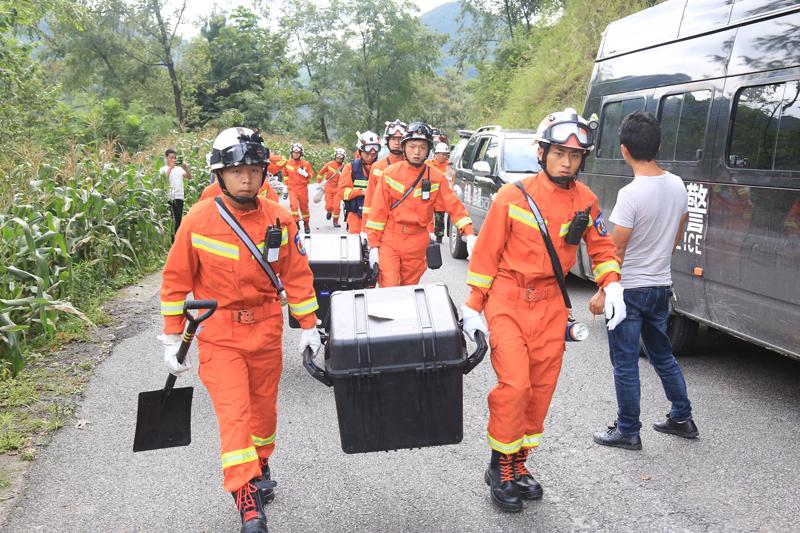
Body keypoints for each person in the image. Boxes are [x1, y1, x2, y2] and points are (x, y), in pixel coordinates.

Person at [461, 108, 625, 513]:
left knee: (539, 390)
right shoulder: (512, 197)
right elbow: (486, 254)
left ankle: (519, 463)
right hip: (508, 299)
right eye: (559, 153)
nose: (567, 162)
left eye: (574, 156)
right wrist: (472, 307)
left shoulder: (585, 200)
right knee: (514, 386)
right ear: (542, 152)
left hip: (552, 304)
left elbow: (602, 249)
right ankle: (500, 467)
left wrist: (613, 281)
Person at [159, 127, 321, 533]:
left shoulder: (280, 218)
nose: (246, 178)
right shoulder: (198, 220)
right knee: (234, 415)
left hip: (265, 331)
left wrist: (309, 327)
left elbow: (297, 276)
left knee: (263, 414)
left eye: (253, 169)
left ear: (264, 172)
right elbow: (175, 281)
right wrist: (169, 336)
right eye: (237, 171)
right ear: (220, 174)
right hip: (219, 335)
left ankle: (260, 461)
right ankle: (246, 498)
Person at [590, 111, 698, 450]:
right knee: (662, 354)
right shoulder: (678, 184)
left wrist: (601, 291)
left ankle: (627, 430)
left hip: (628, 291)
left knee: (624, 363)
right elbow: (678, 231)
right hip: (660, 286)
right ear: (659, 144)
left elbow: (616, 251)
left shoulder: (631, 194)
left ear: (624, 150)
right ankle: (682, 416)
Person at [365, 122, 475, 287]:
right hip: (391, 240)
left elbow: (454, 206)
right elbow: (377, 213)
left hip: (417, 243)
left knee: (409, 290)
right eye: (412, 146)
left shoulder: (436, 177)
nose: (416, 152)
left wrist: (470, 234)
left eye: (422, 147)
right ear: (404, 147)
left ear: (429, 150)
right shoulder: (389, 174)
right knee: (389, 286)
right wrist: (373, 245)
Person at [363, 119, 407, 222]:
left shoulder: (414, 167)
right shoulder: (377, 167)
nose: (397, 143)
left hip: (406, 224)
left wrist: (430, 229)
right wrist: (365, 230)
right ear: (387, 141)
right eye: (393, 139)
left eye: (400, 139)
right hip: (382, 222)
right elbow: (369, 201)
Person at [338, 131, 381, 235]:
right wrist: (362, 192)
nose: (370, 157)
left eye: (373, 154)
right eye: (367, 154)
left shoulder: (382, 167)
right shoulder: (351, 168)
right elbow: (342, 192)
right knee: (356, 248)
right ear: (360, 152)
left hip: (378, 217)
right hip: (356, 217)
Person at [282, 143, 316, 234]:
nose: (295, 154)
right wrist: (285, 186)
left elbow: (311, 175)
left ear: (301, 154)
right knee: (293, 206)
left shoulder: (305, 164)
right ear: (291, 153)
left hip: (302, 188)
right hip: (292, 188)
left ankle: (306, 223)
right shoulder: (288, 163)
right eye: (294, 152)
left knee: (304, 207)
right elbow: (285, 175)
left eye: (297, 153)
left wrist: (305, 174)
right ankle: (296, 222)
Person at [160, 148, 192, 239]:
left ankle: (176, 240)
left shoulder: (179, 169)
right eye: (171, 158)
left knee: (178, 221)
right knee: (171, 221)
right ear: (166, 158)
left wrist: (185, 167)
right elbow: (164, 181)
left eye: (175, 158)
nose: (173, 160)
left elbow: (189, 177)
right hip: (169, 198)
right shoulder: (163, 169)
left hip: (179, 197)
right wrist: (170, 167)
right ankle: (172, 240)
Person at [426, 142, 450, 243]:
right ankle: (428, 233)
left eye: (446, 154)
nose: (444, 156)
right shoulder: (429, 164)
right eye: (442, 154)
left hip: (441, 196)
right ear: (436, 154)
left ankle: (439, 235)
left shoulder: (448, 166)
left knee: (440, 217)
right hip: (430, 194)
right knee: (428, 216)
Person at [318, 148, 347, 227]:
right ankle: (329, 211)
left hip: (338, 188)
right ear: (335, 156)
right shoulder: (329, 164)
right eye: (338, 157)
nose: (339, 159)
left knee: (337, 206)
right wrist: (319, 181)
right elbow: (321, 172)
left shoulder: (344, 167)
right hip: (329, 187)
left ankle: (335, 221)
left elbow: (347, 178)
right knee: (329, 206)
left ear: (343, 158)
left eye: (341, 158)